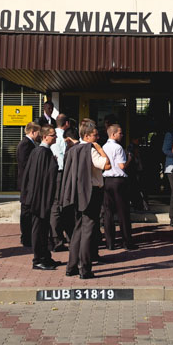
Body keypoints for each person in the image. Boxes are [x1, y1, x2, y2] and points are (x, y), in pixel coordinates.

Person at [61, 118, 109, 279]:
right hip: (92, 192)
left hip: (77, 193)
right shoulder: (91, 149)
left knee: (78, 229)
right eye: (95, 135)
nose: (98, 137)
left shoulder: (73, 150)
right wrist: (100, 149)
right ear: (87, 136)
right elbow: (106, 165)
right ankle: (85, 268)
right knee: (88, 230)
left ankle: (71, 266)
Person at [21, 126, 60, 269]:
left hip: (39, 197)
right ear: (45, 137)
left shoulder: (39, 152)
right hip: (39, 198)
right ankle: (38, 260)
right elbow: (42, 177)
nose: (55, 137)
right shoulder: (42, 152)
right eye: (53, 135)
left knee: (44, 228)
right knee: (39, 228)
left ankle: (45, 256)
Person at [101, 124, 137, 250]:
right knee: (123, 212)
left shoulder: (103, 147)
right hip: (118, 179)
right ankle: (127, 241)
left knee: (108, 212)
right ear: (113, 134)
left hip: (107, 179)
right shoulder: (118, 147)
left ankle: (110, 242)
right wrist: (129, 159)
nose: (122, 135)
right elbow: (121, 166)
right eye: (120, 133)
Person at [16, 121, 41, 248]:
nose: (39, 135)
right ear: (33, 132)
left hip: (28, 182)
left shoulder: (29, 143)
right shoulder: (25, 144)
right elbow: (25, 164)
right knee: (26, 210)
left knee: (28, 209)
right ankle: (26, 237)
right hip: (26, 183)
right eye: (38, 133)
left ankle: (28, 236)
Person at [49, 115, 71, 251]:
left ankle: (60, 236)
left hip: (57, 172)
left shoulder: (54, 135)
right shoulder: (62, 137)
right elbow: (61, 158)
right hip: (60, 172)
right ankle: (57, 239)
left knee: (58, 205)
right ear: (67, 123)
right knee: (57, 205)